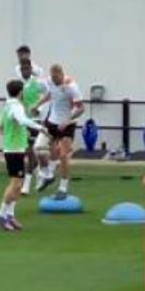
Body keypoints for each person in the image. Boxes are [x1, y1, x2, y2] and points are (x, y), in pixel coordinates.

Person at [0, 80, 45, 232]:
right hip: (14, 150)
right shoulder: (16, 106)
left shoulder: (7, 106)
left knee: (19, 183)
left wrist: (17, 132)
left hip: (14, 148)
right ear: (20, 92)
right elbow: (22, 120)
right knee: (15, 183)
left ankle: (10, 215)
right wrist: (41, 128)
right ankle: (1, 214)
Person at [35, 64, 84, 200]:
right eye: (53, 78)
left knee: (63, 155)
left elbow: (81, 108)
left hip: (67, 124)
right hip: (52, 121)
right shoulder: (50, 81)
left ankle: (63, 187)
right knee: (39, 148)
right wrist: (37, 104)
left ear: (62, 75)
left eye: (57, 78)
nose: (55, 81)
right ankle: (48, 174)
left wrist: (67, 120)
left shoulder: (71, 86)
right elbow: (49, 94)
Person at [12, 46, 51, 195]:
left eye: (26, 68)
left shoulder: (38, 82)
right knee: (29, 152)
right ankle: (42, 175)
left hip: (36, 121)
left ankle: (28, 184)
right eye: (22, 69)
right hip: (26, 121)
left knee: (32, 151)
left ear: (30, 68)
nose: (24, 71)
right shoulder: (20, 84)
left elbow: (48, 94)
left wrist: (39, 108)